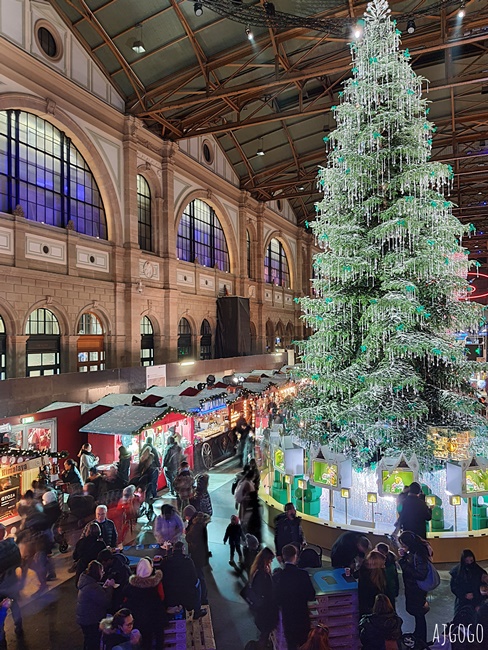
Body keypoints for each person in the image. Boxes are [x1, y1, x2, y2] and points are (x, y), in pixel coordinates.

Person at [273, 543, 315, 650]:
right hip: (302, 618)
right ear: (296, 556)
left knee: (291, 645)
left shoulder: (278, 576)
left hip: (288, 619)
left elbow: (277, 599)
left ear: (283, 556)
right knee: (304, 644)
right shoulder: (303, 575)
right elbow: (311, 595)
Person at [122, 557, 165, 650]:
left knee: (145, 641)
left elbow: (125, 599)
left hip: (139, 619)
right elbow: (162, 597)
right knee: (159, 638)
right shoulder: (156, 584)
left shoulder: (130, 586)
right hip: (155, 617)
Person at [398, 530, 431, 642]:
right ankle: (419, 634)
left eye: (403, 544)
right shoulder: (414, 552)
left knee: (419, 614)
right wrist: (404, 556)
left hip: (416, 589)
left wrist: (403, 563)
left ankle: (421, 638)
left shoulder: (419, 555)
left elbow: (421, 574)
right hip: (413, 588)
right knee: (418, 614)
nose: (403, 546)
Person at [76, 560, 115, 650]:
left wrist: (103, 587)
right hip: (91, 620)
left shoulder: (87, 582)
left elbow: (97, 594)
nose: (103, 573)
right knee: (93, 642)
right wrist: (110, 587)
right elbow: (106, 602)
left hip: (84, 618)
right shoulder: (92, 587)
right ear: (96, 573)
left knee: (88, 640)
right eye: (102, 571)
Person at [161, 541, 205, 617]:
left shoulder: (166, 561)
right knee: (198, 582)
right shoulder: (188, 561)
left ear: (172, 550)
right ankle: (197, 610)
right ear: (183, 550)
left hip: (170, 591)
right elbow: (194, 579)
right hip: (186, 592)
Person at [249, 547, 278, 649]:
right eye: (270, 559)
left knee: (264, 633)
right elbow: (267, 590)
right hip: (265, 610)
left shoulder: (257, 570)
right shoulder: (262, 574)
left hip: (260, 609)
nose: (271, 561)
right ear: (266, 559)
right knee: (265, 634)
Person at [183, 505, 210, 612]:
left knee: (200, 576)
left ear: (189, 516)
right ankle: (203, 596)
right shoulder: (197, 522)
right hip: (200, 552)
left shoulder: (196, 526)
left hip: (197, 554)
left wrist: (186, 532)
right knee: (200, 575)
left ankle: (203, 598)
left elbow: (189, 537)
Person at [0, 524, 23, 638]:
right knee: (14, 605)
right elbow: (19, 562)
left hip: (1, 586)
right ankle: (19, 627)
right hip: (12, 582)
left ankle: (1, 633)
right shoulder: (12, 545)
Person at [450, 549, 487, 616]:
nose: (469, 563)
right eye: (467, 561)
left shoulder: (479, 571)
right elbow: (454, 588)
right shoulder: (456, 572)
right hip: (462, 602)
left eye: (471, 561)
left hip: (476, 600)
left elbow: (484, 588)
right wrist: (464, 595)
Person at [358, 550, 388, 616]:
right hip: (371, 609)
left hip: (371, 608)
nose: (384, 564)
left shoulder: (364, 573)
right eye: (383, 562)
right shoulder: (369, 576)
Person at [375, 542, 400, 610]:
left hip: (384, 590)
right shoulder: (392, 560)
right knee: (391, 608)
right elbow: (395, 577)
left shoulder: (381, 563)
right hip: (391, 589)